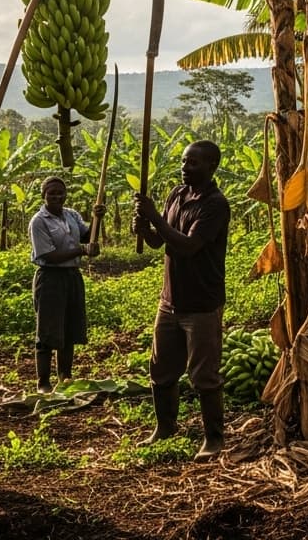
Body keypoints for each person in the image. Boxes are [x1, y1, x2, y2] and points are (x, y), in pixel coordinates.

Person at [132, 140, 231, 461]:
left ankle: (214, 439)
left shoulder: (215, 204)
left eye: (193, 163)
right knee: (161, 370)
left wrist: (154, 218)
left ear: (211, 167)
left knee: (204, 375)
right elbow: (161, 241)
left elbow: (189, 247)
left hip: (202, 303)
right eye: (184, 162)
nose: (185, 168)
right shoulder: (177, 194)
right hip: (170, 300)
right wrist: (146, 229)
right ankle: (165, 428)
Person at [28, 176, 102, 393]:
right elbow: (48, 256)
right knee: (48, 330)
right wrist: (82, 250)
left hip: (72, 276)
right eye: (52, 193)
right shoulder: (39, 221)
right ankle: (43, 381)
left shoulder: (71, 215)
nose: (57, 197)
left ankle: (65, 376)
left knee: (69, 327)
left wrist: (98, 218)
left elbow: (88, 235)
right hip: (50, 278)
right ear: (44, 196)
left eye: (60, 192)